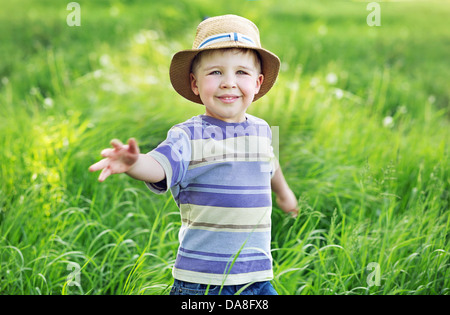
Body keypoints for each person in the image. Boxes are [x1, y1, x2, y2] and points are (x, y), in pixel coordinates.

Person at [89, 14, 298, 295]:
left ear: (258, 83)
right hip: (203, 283)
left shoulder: (261, 130)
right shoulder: (188, 135)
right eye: (215, 72)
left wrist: (284, 193)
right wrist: (135, 163)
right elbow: (160, 165)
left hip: (257, 278)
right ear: (195, 83)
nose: (228, 82)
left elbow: (267, 164)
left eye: (241, 72)